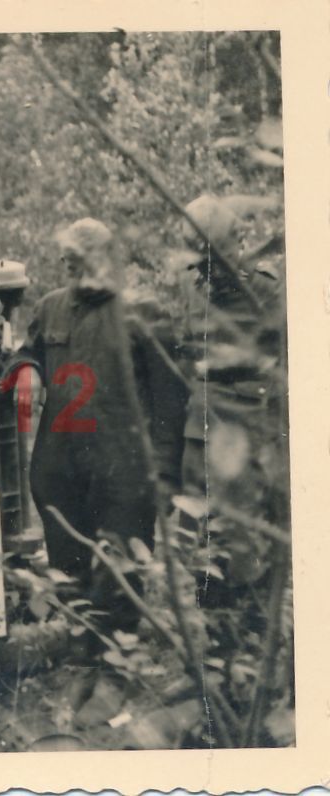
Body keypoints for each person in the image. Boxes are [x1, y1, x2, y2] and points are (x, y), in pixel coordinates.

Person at [20, 218, 188, 631]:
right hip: (60, 470)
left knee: (118, 580)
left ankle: (117, 659)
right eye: (68, 262)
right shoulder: (50, 308)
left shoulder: (144, 313)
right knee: (68, 573)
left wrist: (165, 475)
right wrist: (26, 369)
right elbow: (25, 353)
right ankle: (77, 647)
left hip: (123, 476)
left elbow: (170, 402)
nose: (74, 270)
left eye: (83, 260)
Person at [173, 195, 282, 497]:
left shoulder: (269, 287)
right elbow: (185, 351)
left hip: (251, 430)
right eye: (202, 266)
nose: (210, 274)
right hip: (201, 429)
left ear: (238, 241)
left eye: (217, 263)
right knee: (195, 517)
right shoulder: (190, 285)